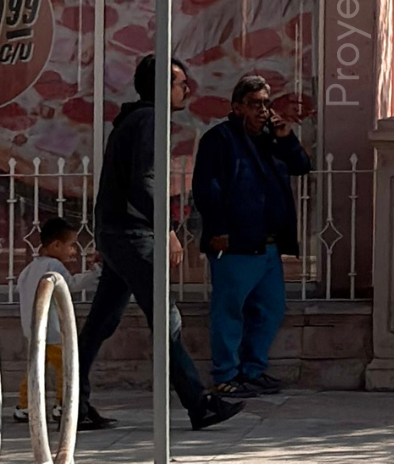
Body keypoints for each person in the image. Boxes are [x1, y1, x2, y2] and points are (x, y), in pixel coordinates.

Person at [77, 56, 238, 433]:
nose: (187, 89)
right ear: (162, 86)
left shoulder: (134, 118)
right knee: (167, 320)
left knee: (101, 321)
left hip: (116, 232)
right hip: (133, 234)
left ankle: (72, 403)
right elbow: (144, 182)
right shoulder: (149, 121)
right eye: (181, 83)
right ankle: (199, 404)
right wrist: (166, 229)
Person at [193, 70, 314, 398]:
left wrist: (285, 137)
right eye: (254, 103)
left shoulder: (271, 139)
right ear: (237, 107)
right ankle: (225, 375)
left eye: (266, 103)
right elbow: (207, 187)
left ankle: (252, 370)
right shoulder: (219, 140)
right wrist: (218, 229)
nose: (262, 109)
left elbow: (302, 166)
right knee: (229, 311)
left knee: (270, 309)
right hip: (234, 244)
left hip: (268, 245)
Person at [12, 216, 85, 423]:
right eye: (71, 246)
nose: (73, 252)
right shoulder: (54, 266)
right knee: (65, 368)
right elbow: (69, 285)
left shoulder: (28, 269)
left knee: (35, 368)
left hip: (33, 329)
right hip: (53, 331)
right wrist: (94, 277)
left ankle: (25, 406)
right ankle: (63, 405)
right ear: (56, 245)